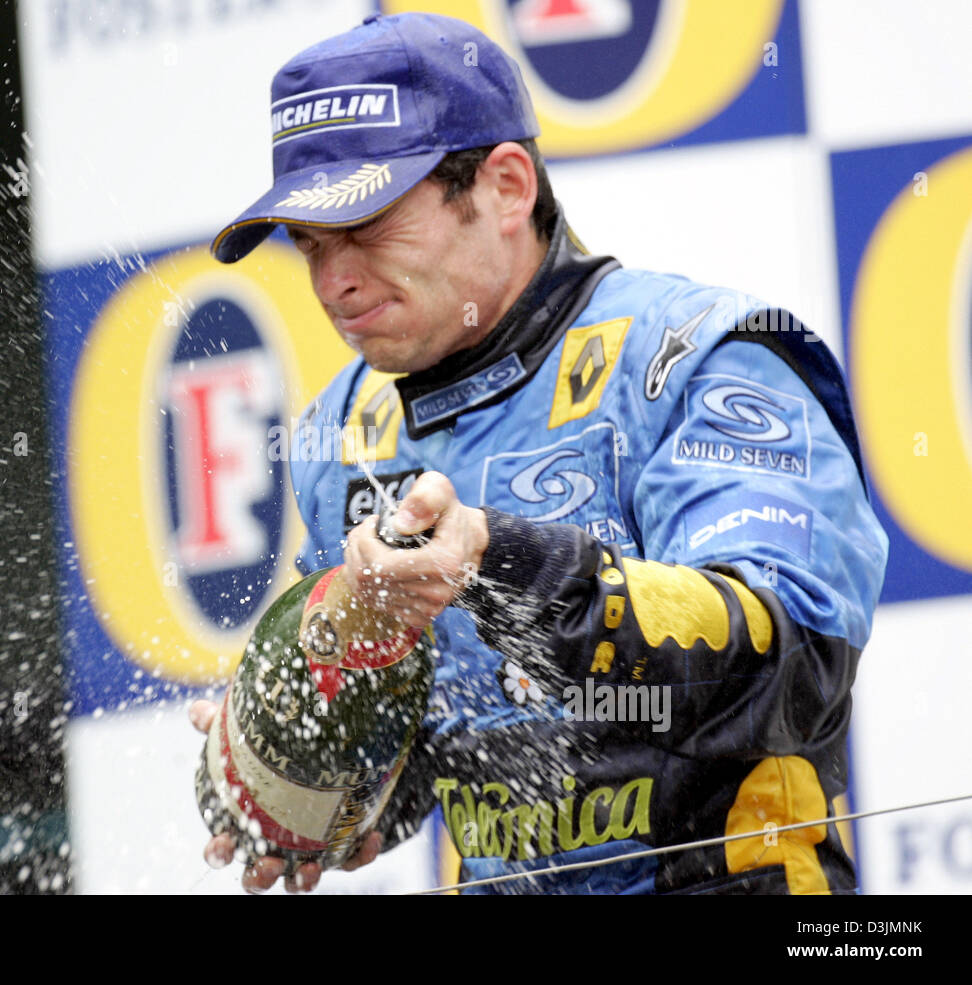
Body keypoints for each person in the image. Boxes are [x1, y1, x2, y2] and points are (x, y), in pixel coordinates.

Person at [191, 11, 888, 894]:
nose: (335, 283)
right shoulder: (342, 435)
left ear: (508, 186)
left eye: (365, 228)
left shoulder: (693, 356)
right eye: (310, 245)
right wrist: (312, 752)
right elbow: (434, 752)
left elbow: (791, 659)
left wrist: (502, 562)